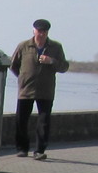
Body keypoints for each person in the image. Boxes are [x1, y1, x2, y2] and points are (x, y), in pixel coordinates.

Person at [10, 20, 69, 160]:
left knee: (43, 121)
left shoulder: (55, 47)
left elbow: (64, 67)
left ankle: (39, 151)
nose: (41, 34)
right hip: (26, 89)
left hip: (46, 90)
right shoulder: (24, 46)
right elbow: (13, 65)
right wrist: (23, 78)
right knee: (21, 120)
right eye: (39, 31)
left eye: (44, 32)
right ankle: (22, 149)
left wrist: (52, 61)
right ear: (33, 31)